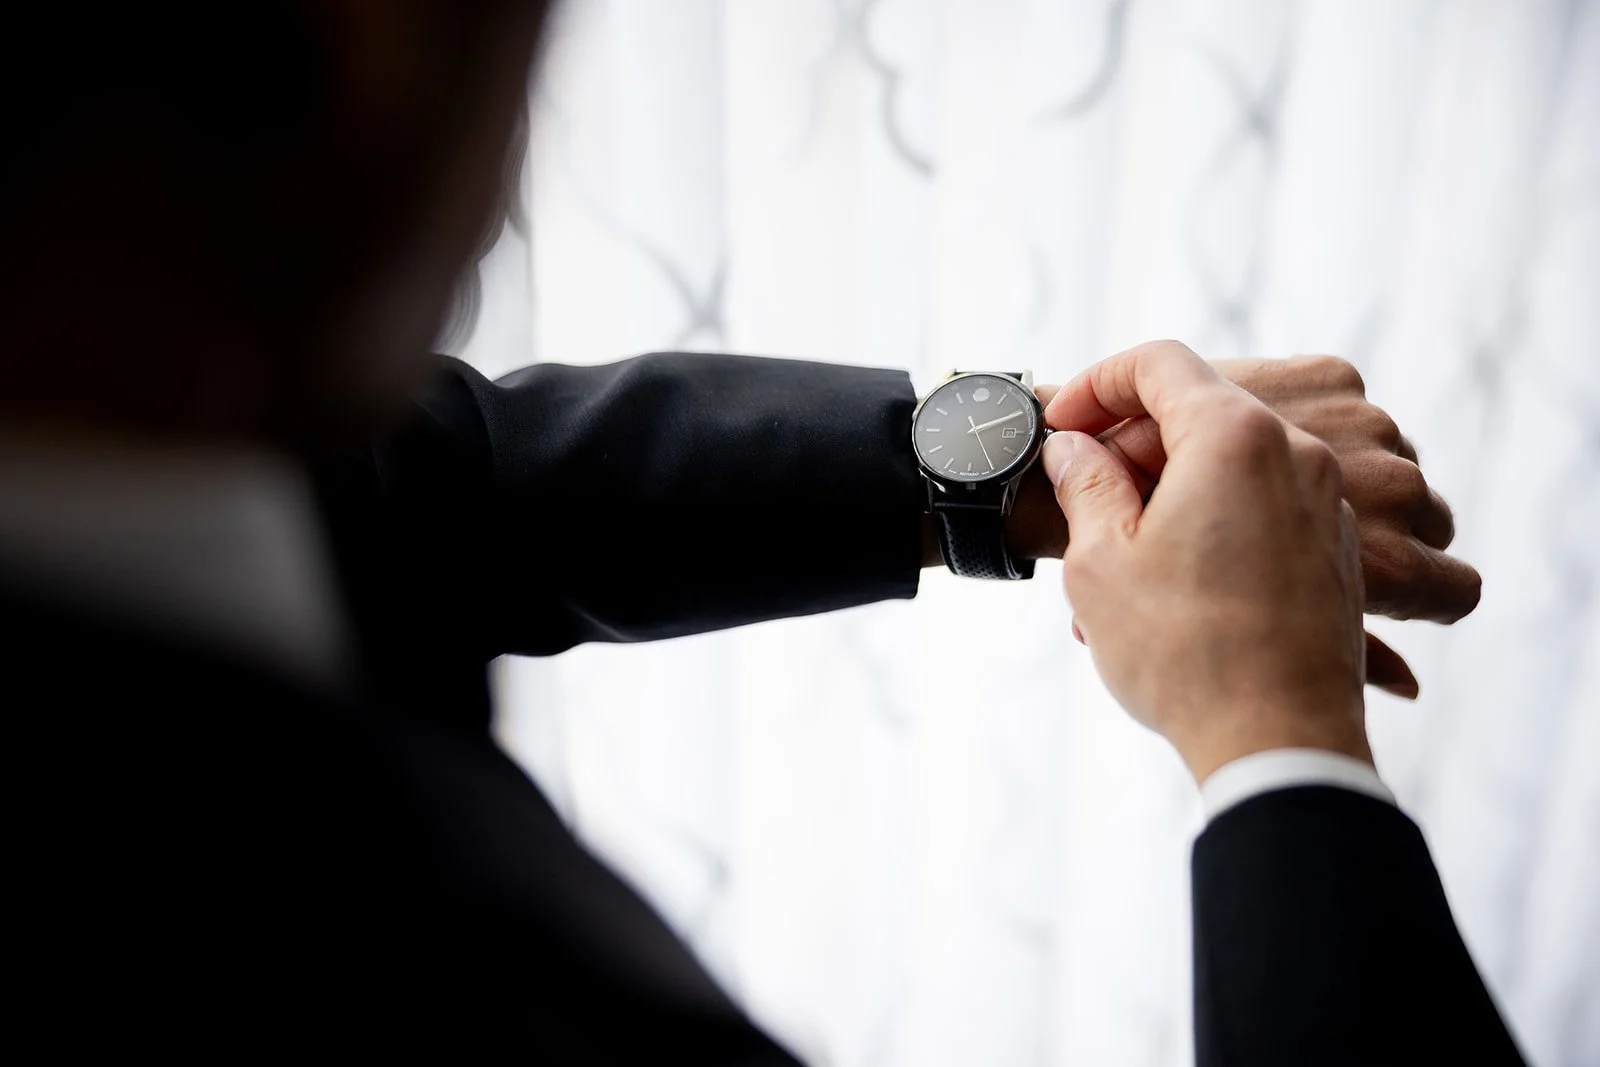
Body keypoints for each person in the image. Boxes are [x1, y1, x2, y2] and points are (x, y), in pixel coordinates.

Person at [0, 2, 1516, 1061]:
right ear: (371, 45)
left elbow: (449, 483)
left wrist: (1015, 461)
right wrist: (1279, 741)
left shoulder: (152, 433)